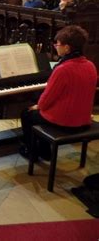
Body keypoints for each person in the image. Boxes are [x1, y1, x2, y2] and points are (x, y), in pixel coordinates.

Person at [20, 25, 97, 160]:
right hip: (84, 118)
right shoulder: (90, 65)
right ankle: (44, 151)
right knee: (39, 113)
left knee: (27, 114)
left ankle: (32, 152)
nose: (56, 46)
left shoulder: (63, 69)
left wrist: (37, 106)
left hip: (66, 122)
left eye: (58, 44)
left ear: (67, 48)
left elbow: (46, 100)